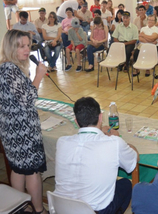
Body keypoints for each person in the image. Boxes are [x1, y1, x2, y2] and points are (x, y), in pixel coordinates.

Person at [55, 97, 139, 214]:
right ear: (100, 117)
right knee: (125, 184)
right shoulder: (115, 143)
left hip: (60, 207)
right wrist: (118, 138)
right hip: (94, 210)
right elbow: (134, 159)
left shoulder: (62, 142)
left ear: (76, 121)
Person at [0, 29, 48, 214]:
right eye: (21, 46)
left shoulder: (7, 67)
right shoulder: (11, 70)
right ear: (11, 47)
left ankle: (18, 206)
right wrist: (39, 75)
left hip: (10, 130)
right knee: (32, 172)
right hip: (23, 132)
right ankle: (38, 209)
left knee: (18, 169)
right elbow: (28, 98)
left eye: (28, 45)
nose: (27, 50)